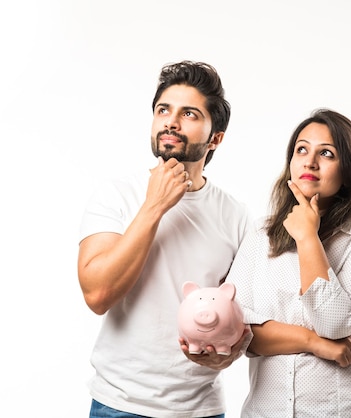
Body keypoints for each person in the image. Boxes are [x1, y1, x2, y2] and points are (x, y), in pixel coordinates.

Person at [77, 61, 252, 418]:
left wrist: (228, 352)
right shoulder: (117, 196)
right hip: (119, 404)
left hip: (202, 409)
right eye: (163, 110)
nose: (171, 121)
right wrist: (155, 206)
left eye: (189, 113)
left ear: (215, 138)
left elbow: (243, 321)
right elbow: (97, 295)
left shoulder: (236, 217)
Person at [226, 108, 351, 417]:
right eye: (301, 149)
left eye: (327, 153)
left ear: (348, 171)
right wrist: (316, 343)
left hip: (347, 410)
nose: (310, 161)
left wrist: (307, 238)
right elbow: (238, 330)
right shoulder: (261, 234)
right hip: (267, 411)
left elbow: (335, 323)